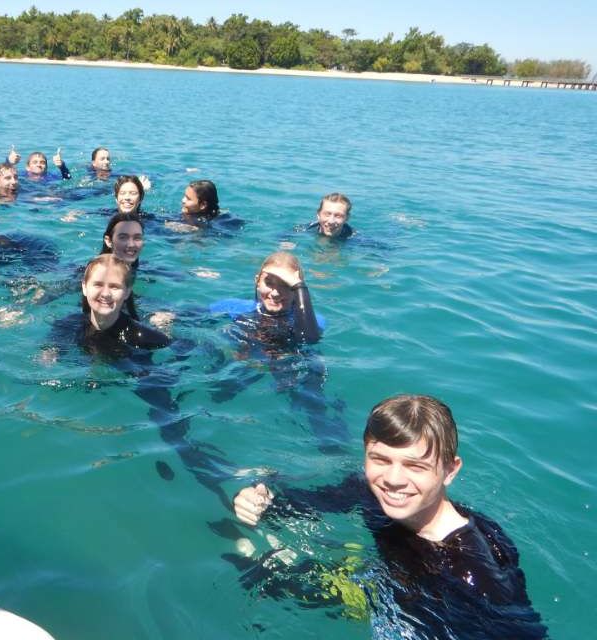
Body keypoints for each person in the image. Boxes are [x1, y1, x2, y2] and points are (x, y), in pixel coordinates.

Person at [231, 395, 546, 639]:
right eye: (380, 459)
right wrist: (262, 500)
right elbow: (311, 503)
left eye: (415, 466)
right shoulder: (373, 493)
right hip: (390, 584)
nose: (393, 479)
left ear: (450, 470)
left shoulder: (471, 574)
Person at [209, 252, 345, 450]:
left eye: (286, 286)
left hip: (290, 366)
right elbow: (189, 314)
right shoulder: (234, 307)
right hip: (248, 360)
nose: (275, 293)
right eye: (270, 283)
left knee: (313, 403)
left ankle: (331, 450)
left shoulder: (312, 321)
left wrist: (300, 287)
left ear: (298, 290)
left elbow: (309, 339)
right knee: (219, 394)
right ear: (257, 281)